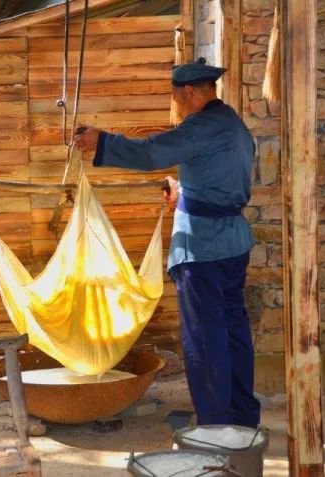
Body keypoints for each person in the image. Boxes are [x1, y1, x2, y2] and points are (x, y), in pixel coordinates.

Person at [74, 57, 260, 428]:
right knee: (233, 332)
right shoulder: (230, 124)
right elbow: (217, 179)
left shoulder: (203, 126)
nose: (175, 104)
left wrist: (102, 142)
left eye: (176, 97)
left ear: (189, 92)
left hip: (204, 248)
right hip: (232, 244)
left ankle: (215, 425)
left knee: (206, 340)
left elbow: (152, 152)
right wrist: (183, 191)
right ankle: (241, 417)